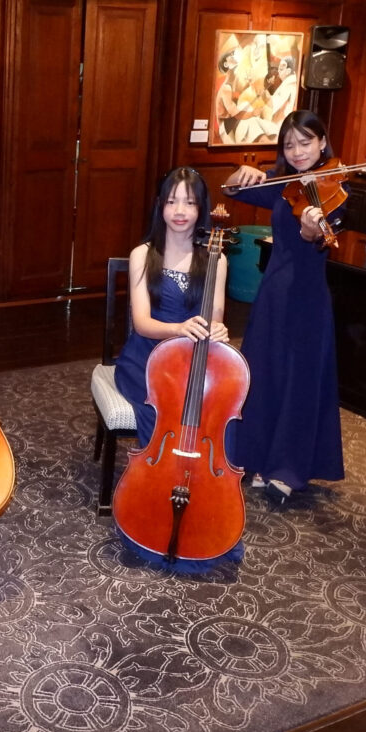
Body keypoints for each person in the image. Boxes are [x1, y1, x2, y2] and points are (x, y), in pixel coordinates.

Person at [113, 166, 238, 572]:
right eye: (172, 201)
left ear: (201, 209)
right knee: (163, 418)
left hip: (193, 362)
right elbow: (142, 323)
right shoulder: (143, 254)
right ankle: (149, 513)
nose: (180, 211)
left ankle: (208, 515)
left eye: (189, 202)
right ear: (160, 206)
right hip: (147, 362)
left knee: (218, 418)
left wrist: (217, 329)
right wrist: (179, 329)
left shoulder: (216, 258)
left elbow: (215, 315)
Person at [222, 109, 345, 506]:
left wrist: (310, 228)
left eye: (306, 142)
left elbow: (319, 237)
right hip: (273, 292)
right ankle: (257, 457)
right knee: (264, 373)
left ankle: (288, 467)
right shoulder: (282, 184)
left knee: (299, 381)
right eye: (289, 145)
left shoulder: (336, 187)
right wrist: (240, 173)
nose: (298, 152)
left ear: (322, 142)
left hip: (308, 298)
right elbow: (231, 192)